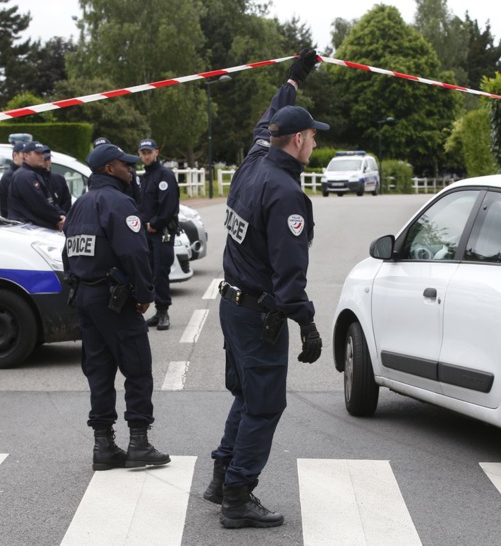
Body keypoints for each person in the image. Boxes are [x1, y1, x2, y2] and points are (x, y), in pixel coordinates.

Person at [204, 48, 324, 529]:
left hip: (233, 307)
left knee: (247, 396)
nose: (315, 142)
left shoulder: (253, 162)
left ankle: (222, 476)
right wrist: (307, 323)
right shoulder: (286, 193)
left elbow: (266, 120)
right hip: (259, 316)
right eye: (312, 136)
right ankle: (237, 496)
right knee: (266, 404)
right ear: (297, 140)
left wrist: (293, 80)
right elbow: (289, 276)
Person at [62, 143, 170, 471]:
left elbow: (68, 253)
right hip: (115, 300)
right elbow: (135, 252)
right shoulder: (119, 202)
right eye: (125, 164)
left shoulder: (79, 205)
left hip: (86, 298)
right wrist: (144, 293)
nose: (131, 169)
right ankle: (139, 443)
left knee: (99, 371)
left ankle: (104, 445)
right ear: (110, 169)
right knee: (137, 369)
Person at [137, 138, 179, 331]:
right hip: (146, 233)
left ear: (156, 152)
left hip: (162, 232)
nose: (146, 156)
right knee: (150, 272)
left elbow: (168, 205)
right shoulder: (145, 177)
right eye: (143, 153)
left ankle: (163, 311)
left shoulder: (165, 175)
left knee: (161, 272)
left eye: (149, 152)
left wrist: (155, 223)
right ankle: (157, 310)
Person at [7, 141, 65, 231]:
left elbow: (49, 199)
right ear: (26, 156)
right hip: (26, 230)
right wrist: (58, 218)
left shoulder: (37, 174)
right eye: (37, 153)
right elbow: (39, 205)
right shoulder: (24, 175)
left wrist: (61, 214)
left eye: (42, 153)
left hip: (35, 229)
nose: (42, 156)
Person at [90, 136, 141, 203]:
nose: (129, 168)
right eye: (99, 149)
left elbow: (138, 197)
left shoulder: (129, 173)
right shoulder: (92, 179)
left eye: (106, 148)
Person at [0, 141, 25, 217]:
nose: (26, 157)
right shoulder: (10, 176)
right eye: (24, 154)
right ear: (15, 155)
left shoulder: (21, 174)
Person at [43, 151, 72, 215]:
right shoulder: (35, 179)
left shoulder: (59, 179)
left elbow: (67, 201)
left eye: (48, 159)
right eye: (44, 160)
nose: (47, 162)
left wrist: (62, 216)